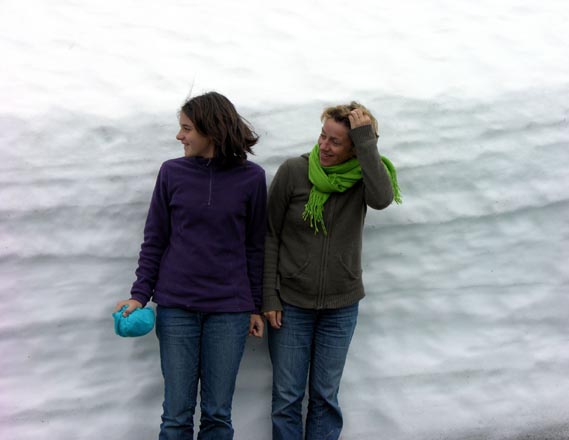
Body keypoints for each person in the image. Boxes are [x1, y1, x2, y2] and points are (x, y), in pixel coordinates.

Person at [113, 91, 267, 440]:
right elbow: (155, 239)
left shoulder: (252, 178)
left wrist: (255, 305)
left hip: (229, 311)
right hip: (177, 308)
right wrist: (139, 295)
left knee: (217, 415)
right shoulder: (172, 173)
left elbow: (256, 247)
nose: (179, 136)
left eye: (187, 128)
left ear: (212, 130)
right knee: (176, 416)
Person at [262, 102, 401, 440]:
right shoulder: (294, 171)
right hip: (291, 304)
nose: (324, 146)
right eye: (323, 136)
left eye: (336, 141)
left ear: (354, 148)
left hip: (341, 306)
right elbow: (270, 235)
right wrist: (269, 296)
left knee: (325, 397)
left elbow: (382, 199)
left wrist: (367, 142)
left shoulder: (363, 177)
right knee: (287, 397)